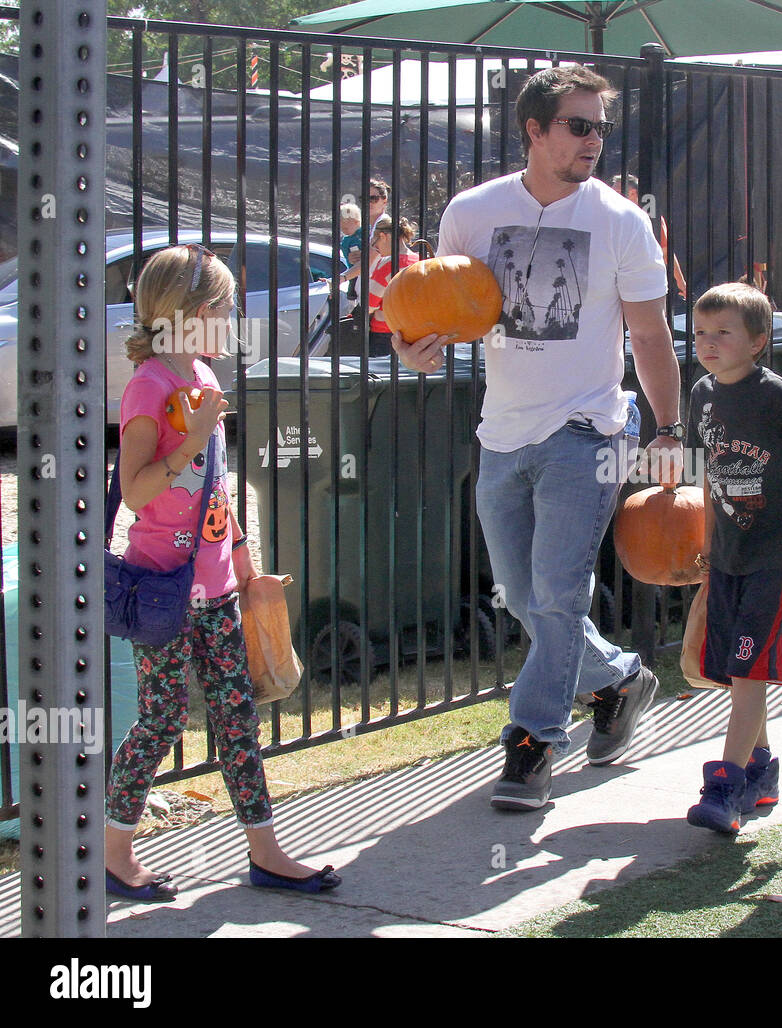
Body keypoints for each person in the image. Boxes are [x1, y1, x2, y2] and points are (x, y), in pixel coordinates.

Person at [393, 67, 681, 811]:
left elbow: (649, 336)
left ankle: (531, 745)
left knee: (557, 592)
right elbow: (439, 306)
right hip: (502, 432)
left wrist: (671, 429)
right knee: (523, 596)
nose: (594, 140)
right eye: (579, 125)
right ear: (535, 130)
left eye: (599, 128)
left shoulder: (620, 221)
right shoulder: (472, 211)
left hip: (591, 431)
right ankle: (618, 678)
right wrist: (411, 349)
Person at [107, 244, 341, 900]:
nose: (234, 318)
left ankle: (266, 852)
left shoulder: (205, 380)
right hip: (162, 587)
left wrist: (245, 562)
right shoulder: (148, 387)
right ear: (197, 311)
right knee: (162, 717)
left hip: (215, 586)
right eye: (227, 306)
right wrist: (191, 435)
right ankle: (112, 851)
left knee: (237, 714)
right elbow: (136, 491)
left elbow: (215, 491)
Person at [684, 283, 782, 834]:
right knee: (737, 671)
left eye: (723, 332)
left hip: (775, 558)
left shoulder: (775, 396)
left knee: (749, 672)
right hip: (727, 555)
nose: (708, 342)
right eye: (701, 332)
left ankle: (723, 788)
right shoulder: (701, 393)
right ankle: (761, 773)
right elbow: (711, 470)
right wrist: (707, 539)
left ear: (758, 342)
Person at [611, 173, 688, 300]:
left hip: (642, 287)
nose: (612, 196)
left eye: (617, 192)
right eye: (612, 191)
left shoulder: (650, 219)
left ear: (633, 193)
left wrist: (681, 283)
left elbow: (665, 251)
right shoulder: (609, 216)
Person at [366, 214, 420, 357]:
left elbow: (369, 303)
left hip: (385, 333)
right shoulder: (420, 261)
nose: (376, 248)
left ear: (384, 236)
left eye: (375, 243)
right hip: (415, 332)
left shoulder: (387, 263)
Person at [338, 201, 364, 302]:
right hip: (353, 269)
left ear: (357, 222)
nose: (344, 230)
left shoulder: (367, 233)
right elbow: (346, 256)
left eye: (346, 228)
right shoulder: (346, 240)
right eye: (341, 228)